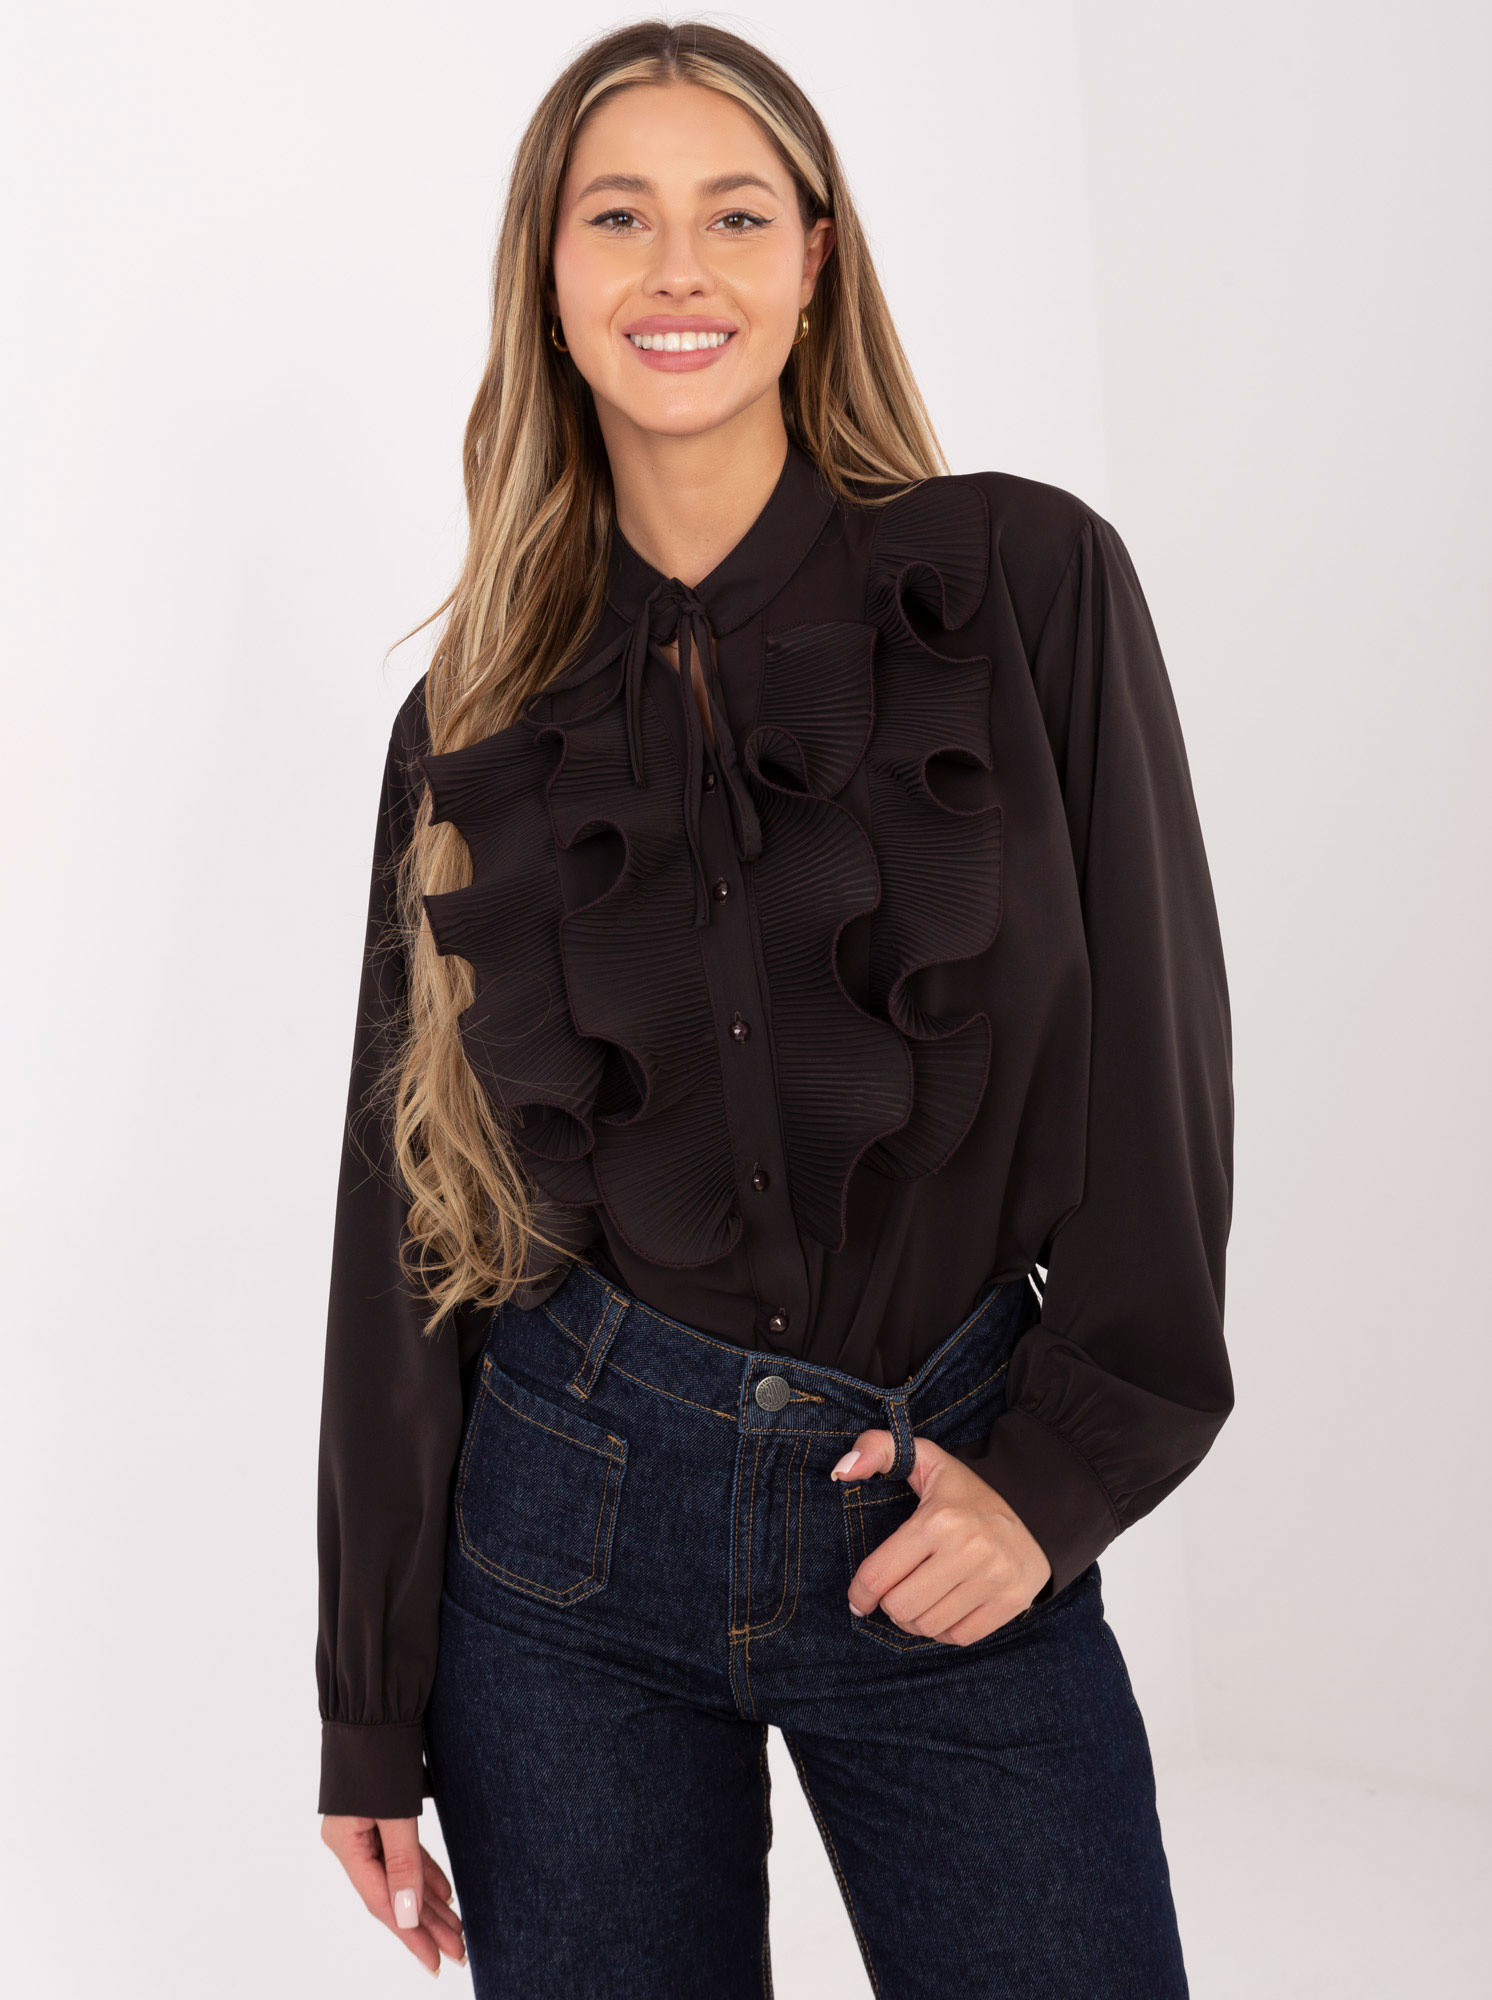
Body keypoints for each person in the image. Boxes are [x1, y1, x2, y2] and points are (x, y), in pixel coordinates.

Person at [315, 20, 1234, 1997]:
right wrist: (368, 1698)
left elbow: (1158, 1071)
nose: (680, 269)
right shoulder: (468, 719)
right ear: (546, 277)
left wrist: (1065, 1472)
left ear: (817, 260)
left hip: (946, 1496)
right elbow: (409, 1217)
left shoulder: (1025, 583)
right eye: (618, 218)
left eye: (736, 216)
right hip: (562, 1552)